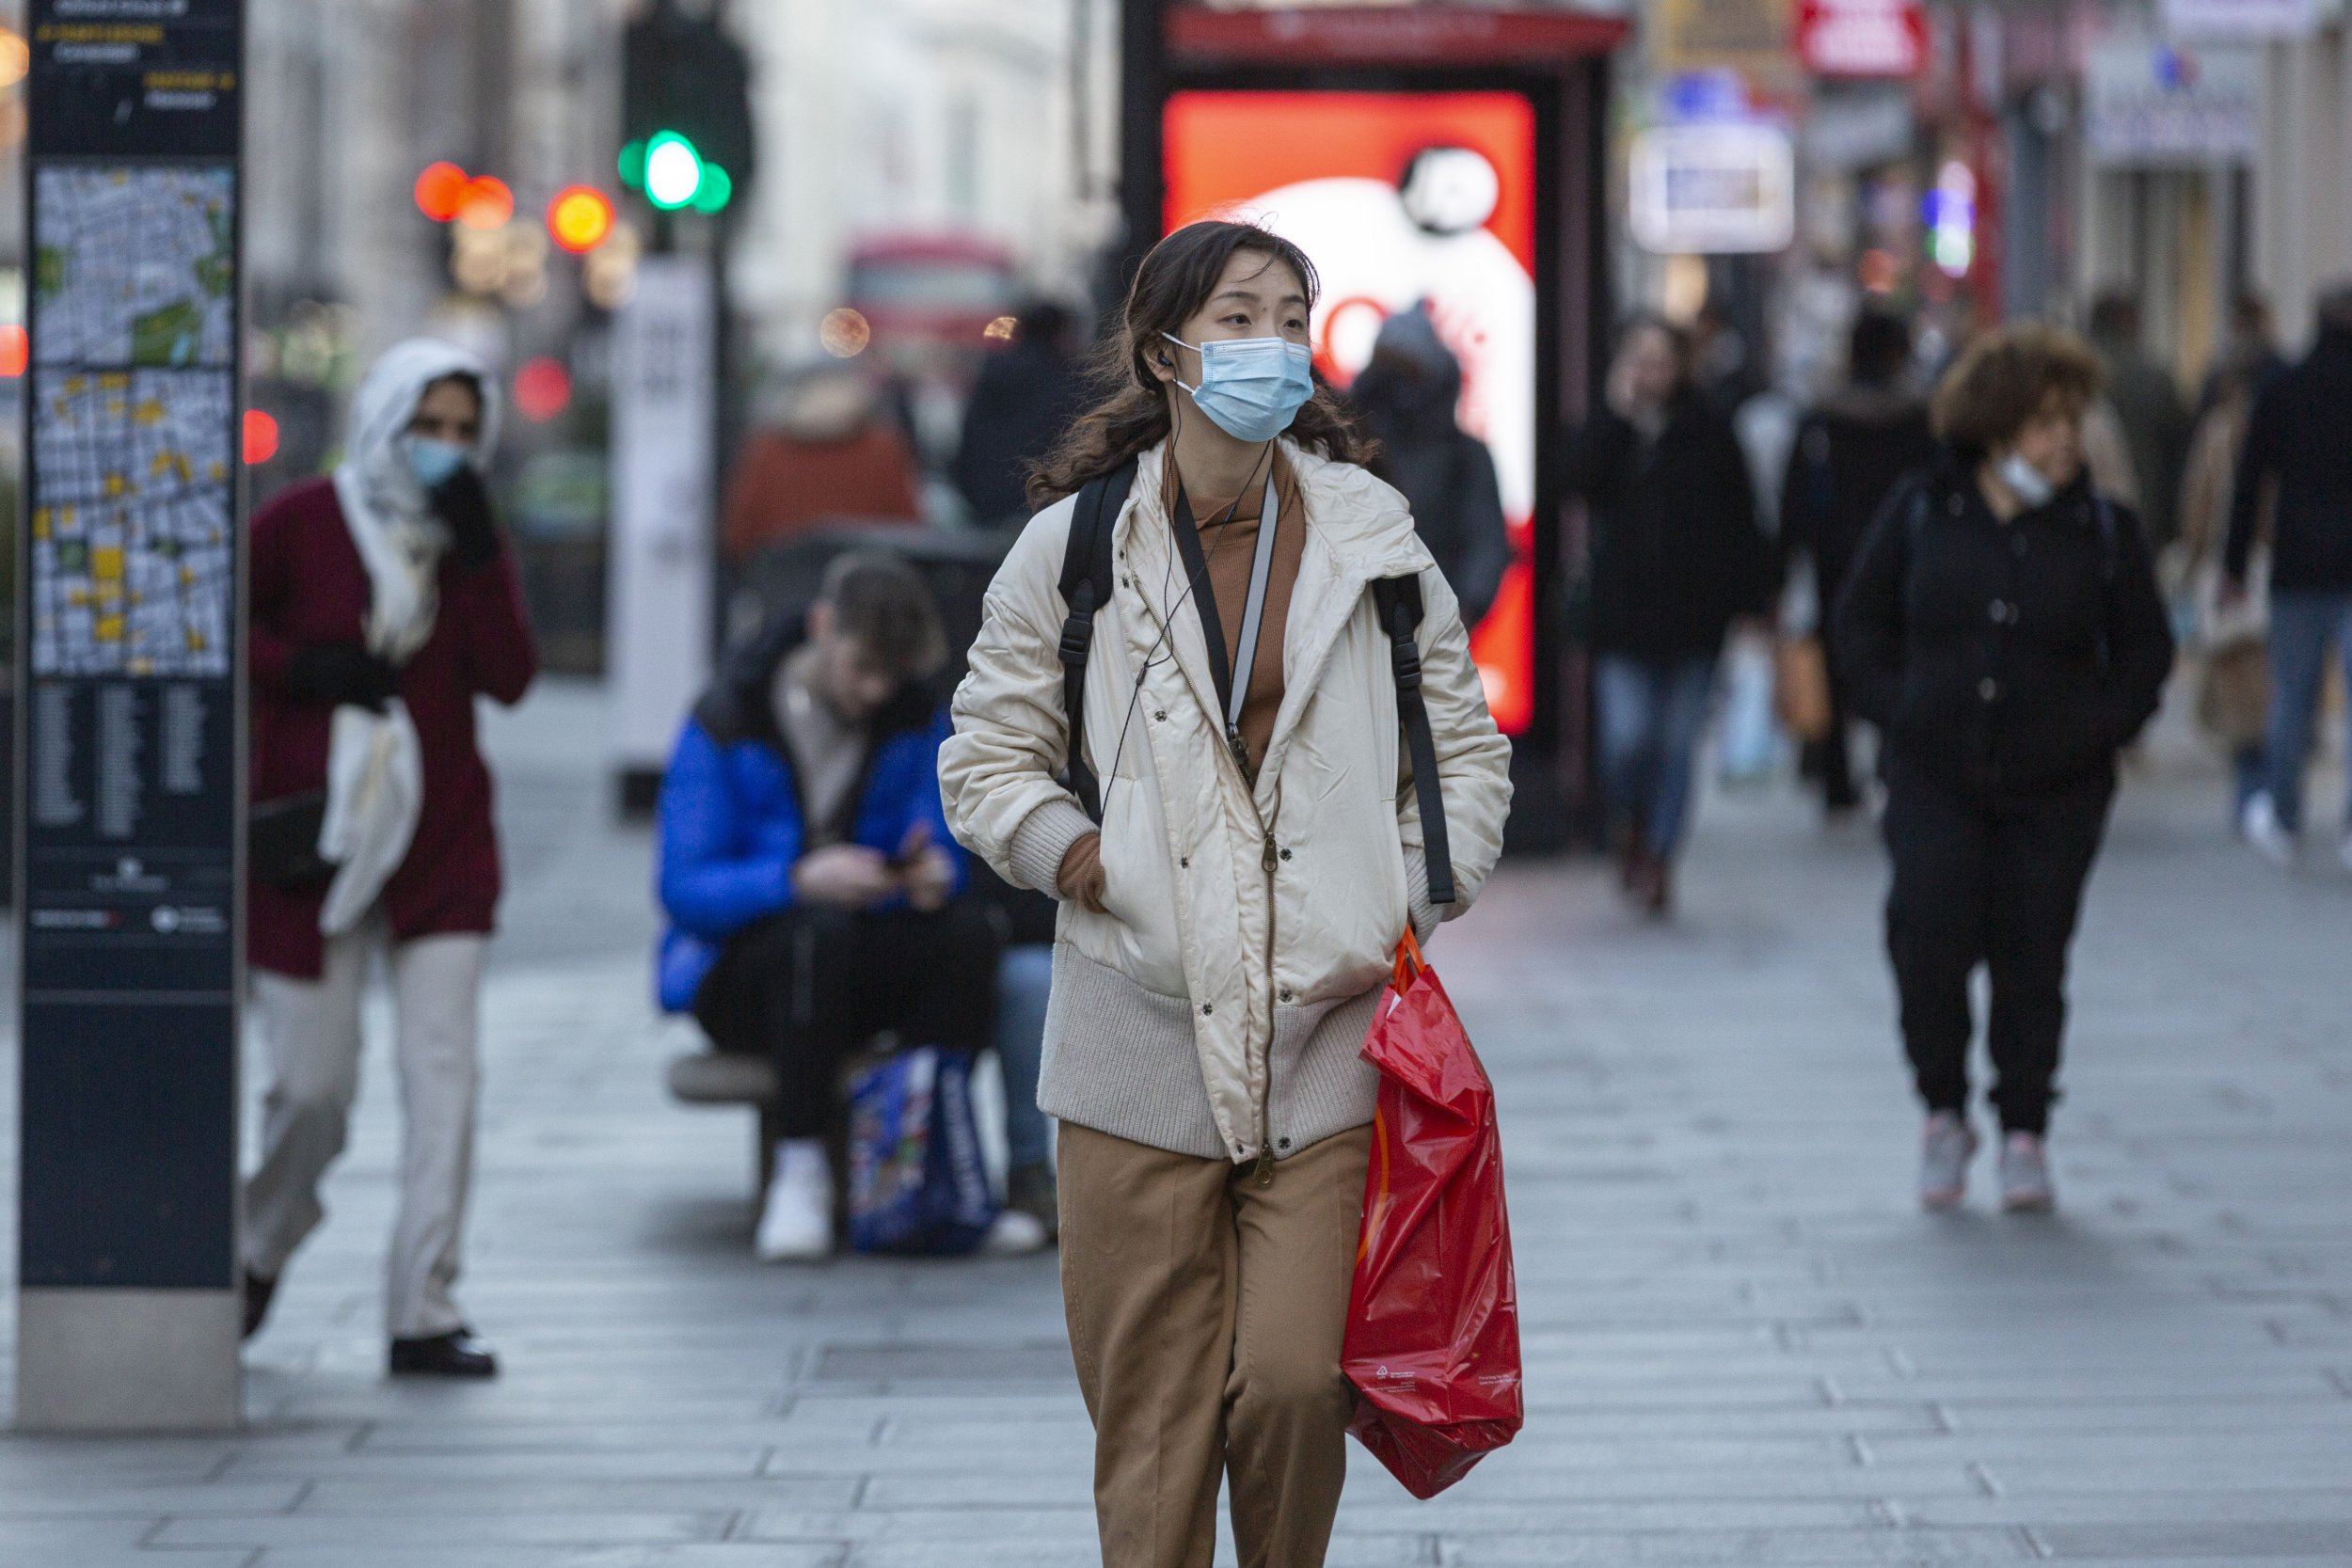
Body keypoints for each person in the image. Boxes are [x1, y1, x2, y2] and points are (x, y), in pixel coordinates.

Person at [939, 220, 1513, 1568]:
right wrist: (1084, 860)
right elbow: (986, 753)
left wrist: (1418, 890)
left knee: (1298, 1383)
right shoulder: (1075, 544)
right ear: (1166, 350)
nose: (1270, 344)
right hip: (1136, 1030)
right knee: (1153, 1424)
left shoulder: (1371, 534)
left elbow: (1462, 737)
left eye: (1288, 316)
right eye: (1239, 316)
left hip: (1326, 1023)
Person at [241, 341, 539, 1376]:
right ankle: (259, 1239)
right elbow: (227, 632)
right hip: (312, 841)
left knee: (444, 1078)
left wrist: (479, 555)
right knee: (312, 1087)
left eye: (465, 429)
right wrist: (308, 669)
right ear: (385, 418)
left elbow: (510, 677)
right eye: (430, 425)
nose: (448, 448)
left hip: (441, 839)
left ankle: (424, 1305)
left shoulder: (468, 538)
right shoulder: (302, 522)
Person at [1835, 324, 2173, 1213]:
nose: (2065, 439)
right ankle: (1943, 1108)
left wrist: (2102, 727)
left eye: (2071, 421)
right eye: (2045, 422)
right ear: (1994, 425)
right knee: (1927, 936)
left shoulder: (2103, 528)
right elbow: (1858, 625)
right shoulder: (1923, 508)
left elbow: (2146, 652)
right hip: (1934, 774)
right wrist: (1896, 708)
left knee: (2034, 950)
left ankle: (2025, 1127)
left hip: (2056, 788)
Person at [656, 551, 1013, 1260]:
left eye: (892, 672)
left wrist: (933, 875)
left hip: (861, 937)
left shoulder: (914, 716)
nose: (876, 690)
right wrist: (794, 879)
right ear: (822, 628)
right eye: (862, 668)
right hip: (742, 967)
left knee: (970, 935)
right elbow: (683, 887)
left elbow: (944, 837)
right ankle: (801, 1169)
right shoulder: (729, 714)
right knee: (814, 935)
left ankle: (932, 1163)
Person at [1566, 312, 1775, 915]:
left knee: (1678, 743)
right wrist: (1615, 418)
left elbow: (1742, 517)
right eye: (1640, 359)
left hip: (1694, 618)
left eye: (1661, 359)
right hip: (1623, 619)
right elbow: (1576, 480)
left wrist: (1754, 599)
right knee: (1628, 740)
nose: (1651, 372)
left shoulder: (1709, 427)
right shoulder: (1613, 428)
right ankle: (1631, 824)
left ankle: (1659, 854)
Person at [1779, 308, 1937, 815]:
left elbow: (1795, 498)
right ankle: (1892, 762)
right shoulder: (1917, 417)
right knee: (1900, 655)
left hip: (1836, 558)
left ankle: (1835, 773)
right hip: (1905, 559)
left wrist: (1785, 560)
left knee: (1836, 655)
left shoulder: (1825, 416)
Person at [2224, 280, 2352, 871]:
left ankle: (2284, 813)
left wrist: (2233, 565)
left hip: (2297, 567)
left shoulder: (2283, 388)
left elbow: (2249, 484)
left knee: (2291, 699)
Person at [1347, 303, 1510, 626]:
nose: (1396, 383)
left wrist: (1460, 613)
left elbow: (1485, 541)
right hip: (1356, 620)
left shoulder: (1462, 454)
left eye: (1406, 369)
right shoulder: (1350, 438)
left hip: (1435, 620)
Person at [2176, 326, 2275, 821]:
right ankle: (2270, 786)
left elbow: (2199, 499)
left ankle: (2249, 786)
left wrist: (2194, 554)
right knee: (2277, 678)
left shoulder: (2219, 431)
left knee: (2236, 678)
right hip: (2277, 566)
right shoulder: (2284, 424)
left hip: (2232, 567)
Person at [722, 365, 924, 562]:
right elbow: (908, 528)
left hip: (781, 582)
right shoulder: (882, 448)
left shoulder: (767, 450)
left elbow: (739, 533)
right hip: (861, 582)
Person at [950, 297, 1090, 529]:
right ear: (1061, 334)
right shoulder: (1070, 383)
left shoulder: (992, 374)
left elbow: (968, 444)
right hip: (1045, 512)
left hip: (987, 510)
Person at [2087, 293, 2191, 556]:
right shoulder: (2156, 380)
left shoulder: (2073, 381)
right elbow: (2180, 459)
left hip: (2082, 523)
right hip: (2147, 517)